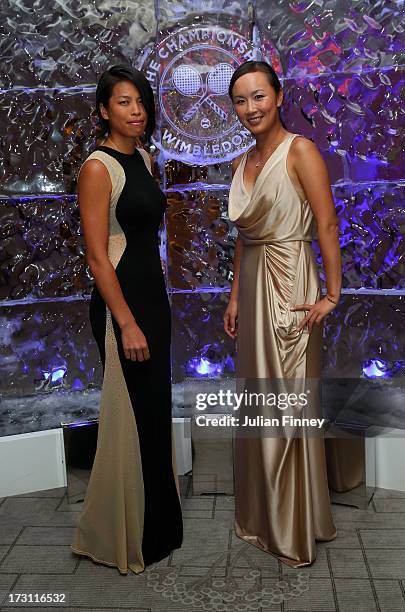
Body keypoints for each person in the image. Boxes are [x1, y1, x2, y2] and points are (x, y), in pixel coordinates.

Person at [223, 60, 341, 566]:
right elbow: (243, 237)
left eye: (258, 97)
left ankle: (293, 527)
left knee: (289, 400)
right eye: (240, 100)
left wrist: (332, 294)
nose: (250, 108)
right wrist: (233, 296)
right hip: (251, 285)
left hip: (290, 280)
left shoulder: (301, 151)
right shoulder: (241, 162)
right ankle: (268, 515)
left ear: (278, 96)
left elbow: (329, 223)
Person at [70, 64, 183, 574]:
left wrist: (155, 308)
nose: (136, 110)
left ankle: (159, 528)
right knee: (128, 414)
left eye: (140, 101)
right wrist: (127, 322)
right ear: (103, 109)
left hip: (151, 299)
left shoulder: (146, 159)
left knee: (155, 411)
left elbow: (146, 240)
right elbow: (96, 256)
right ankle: (123, 536)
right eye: (123, 102)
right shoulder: (98, 167)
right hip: (122, 305)